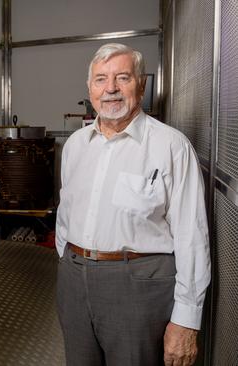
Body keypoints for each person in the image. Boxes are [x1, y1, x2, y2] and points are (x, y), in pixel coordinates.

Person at [55, 42, 211, 366]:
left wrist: (186, 320)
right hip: (74, 281)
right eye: (100, 79)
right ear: (89, 88)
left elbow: (192, 238)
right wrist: (69, 263)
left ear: (141, 85)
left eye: (122, 78)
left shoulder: (171, 146)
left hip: (138, 288)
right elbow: (66, 213)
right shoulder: (75, 146)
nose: (110, 88)